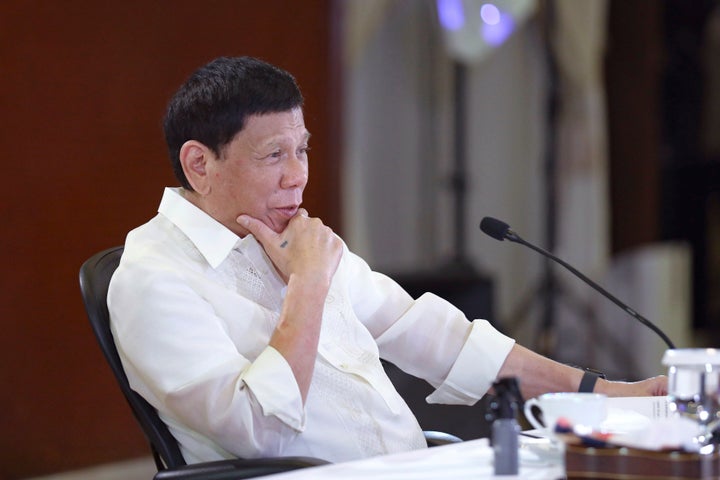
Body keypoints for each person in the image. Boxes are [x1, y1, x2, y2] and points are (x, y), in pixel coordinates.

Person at [108, 56, 667, 465]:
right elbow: (259, 432)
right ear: (199, 166)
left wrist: (610, 395)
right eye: (273, 155)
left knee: (590, 462)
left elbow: (437, 340)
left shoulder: (293, 237)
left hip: (412, 465)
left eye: (301, 149)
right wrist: (307, 286)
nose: (298, 175)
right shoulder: (152, 279)